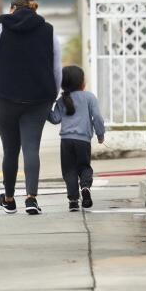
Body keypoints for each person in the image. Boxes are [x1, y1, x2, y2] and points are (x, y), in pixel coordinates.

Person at [0, 0, 62, 215]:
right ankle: (31, 198)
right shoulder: (48, 31)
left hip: (5, 98)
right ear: (33, 7)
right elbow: (56, 69)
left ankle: (9, 198)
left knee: (10, 150)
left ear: (12, 8)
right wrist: (53, 95)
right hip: (38, 99)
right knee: (32, 148)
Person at [47, 66, 105, 212]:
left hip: (66, 141)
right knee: (84, 166)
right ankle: (85, 187)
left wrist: (46, 108)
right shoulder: (89, 97)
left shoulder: (61, 100)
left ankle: (73, 201)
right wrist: (100, 134)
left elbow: (55, 119)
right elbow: (97, 117)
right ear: (81, 82)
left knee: (69, 170)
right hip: (83, 140)